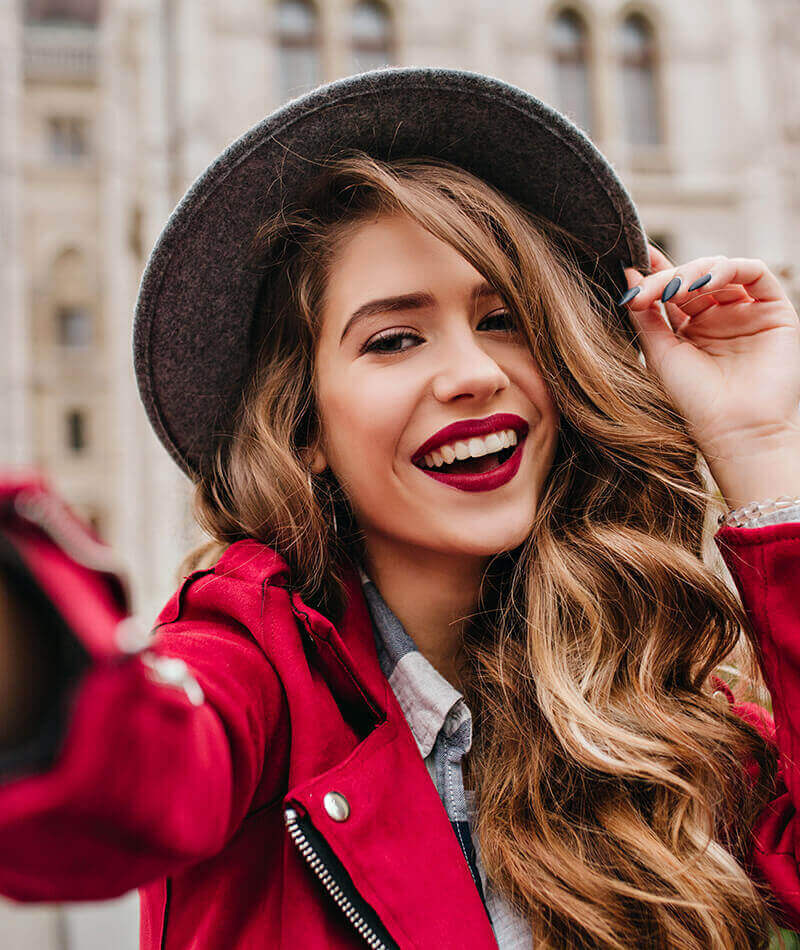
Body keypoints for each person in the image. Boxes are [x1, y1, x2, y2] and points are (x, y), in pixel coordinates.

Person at [1, 66, 800, 950]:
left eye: (503, 320)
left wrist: (760, 446)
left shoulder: (646, 694)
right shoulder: (253, 674)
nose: (473, 372)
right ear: (303, 423)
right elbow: (111, 786)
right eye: (394, 339)